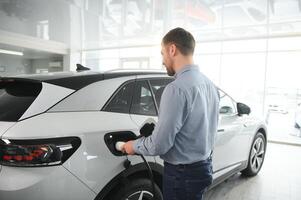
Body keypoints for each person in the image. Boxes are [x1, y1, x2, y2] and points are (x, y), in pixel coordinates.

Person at [122, 27, 220, 200]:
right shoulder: (210, 85)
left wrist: (132, 146)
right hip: (204, 168)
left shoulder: (176, 89)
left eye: (162, 53)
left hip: (182, 175)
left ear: (172, 49)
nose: (162, 60)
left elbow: (160, 144)